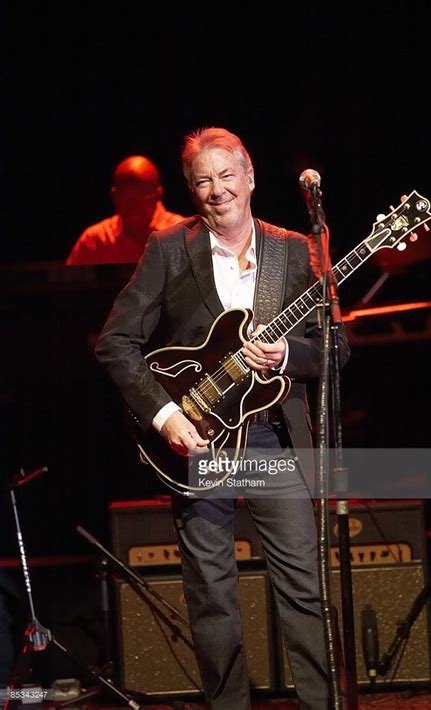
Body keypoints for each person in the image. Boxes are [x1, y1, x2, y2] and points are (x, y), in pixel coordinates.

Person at [95, 127, 350, 709]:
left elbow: (335, 350)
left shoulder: (294, 249)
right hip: (195, 438)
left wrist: (288, 354)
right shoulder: (168, 248)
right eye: (203, 180)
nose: (217, 190)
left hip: (271, 437)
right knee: (211, 591)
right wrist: (164, 417)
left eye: (226, 175)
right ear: (189, 189)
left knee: (303, 588)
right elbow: (115, 343)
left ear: (250, 176)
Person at [66, 155, 185, 265]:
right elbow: (69, 286)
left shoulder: (184, 234)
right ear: (114, 195)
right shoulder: (95, 241)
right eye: (125, 195)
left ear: (159, 192)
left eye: (141, 193)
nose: (133, 205)